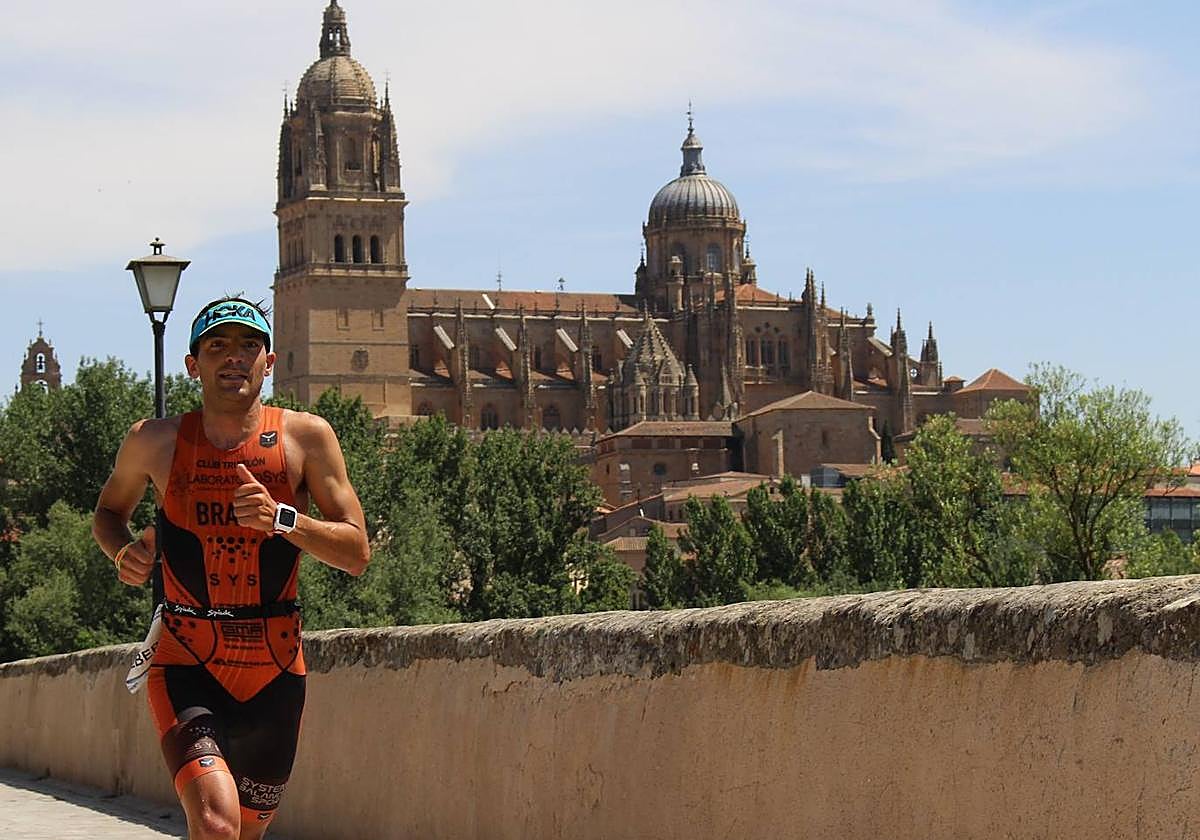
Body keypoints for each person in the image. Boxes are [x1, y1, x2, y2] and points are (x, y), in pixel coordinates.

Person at [93, 296, 370, 840]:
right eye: (217, 345)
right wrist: (123, 551)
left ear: (270, 361)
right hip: (185, 658)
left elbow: (356, 552)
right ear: (193, 365)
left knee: (245, 831)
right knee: (216, 824)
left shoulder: (306, 437)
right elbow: (108, 513)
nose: (235, 357)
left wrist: (283, 519)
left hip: (274, 668)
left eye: (249, 345)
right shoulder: (153, 440)